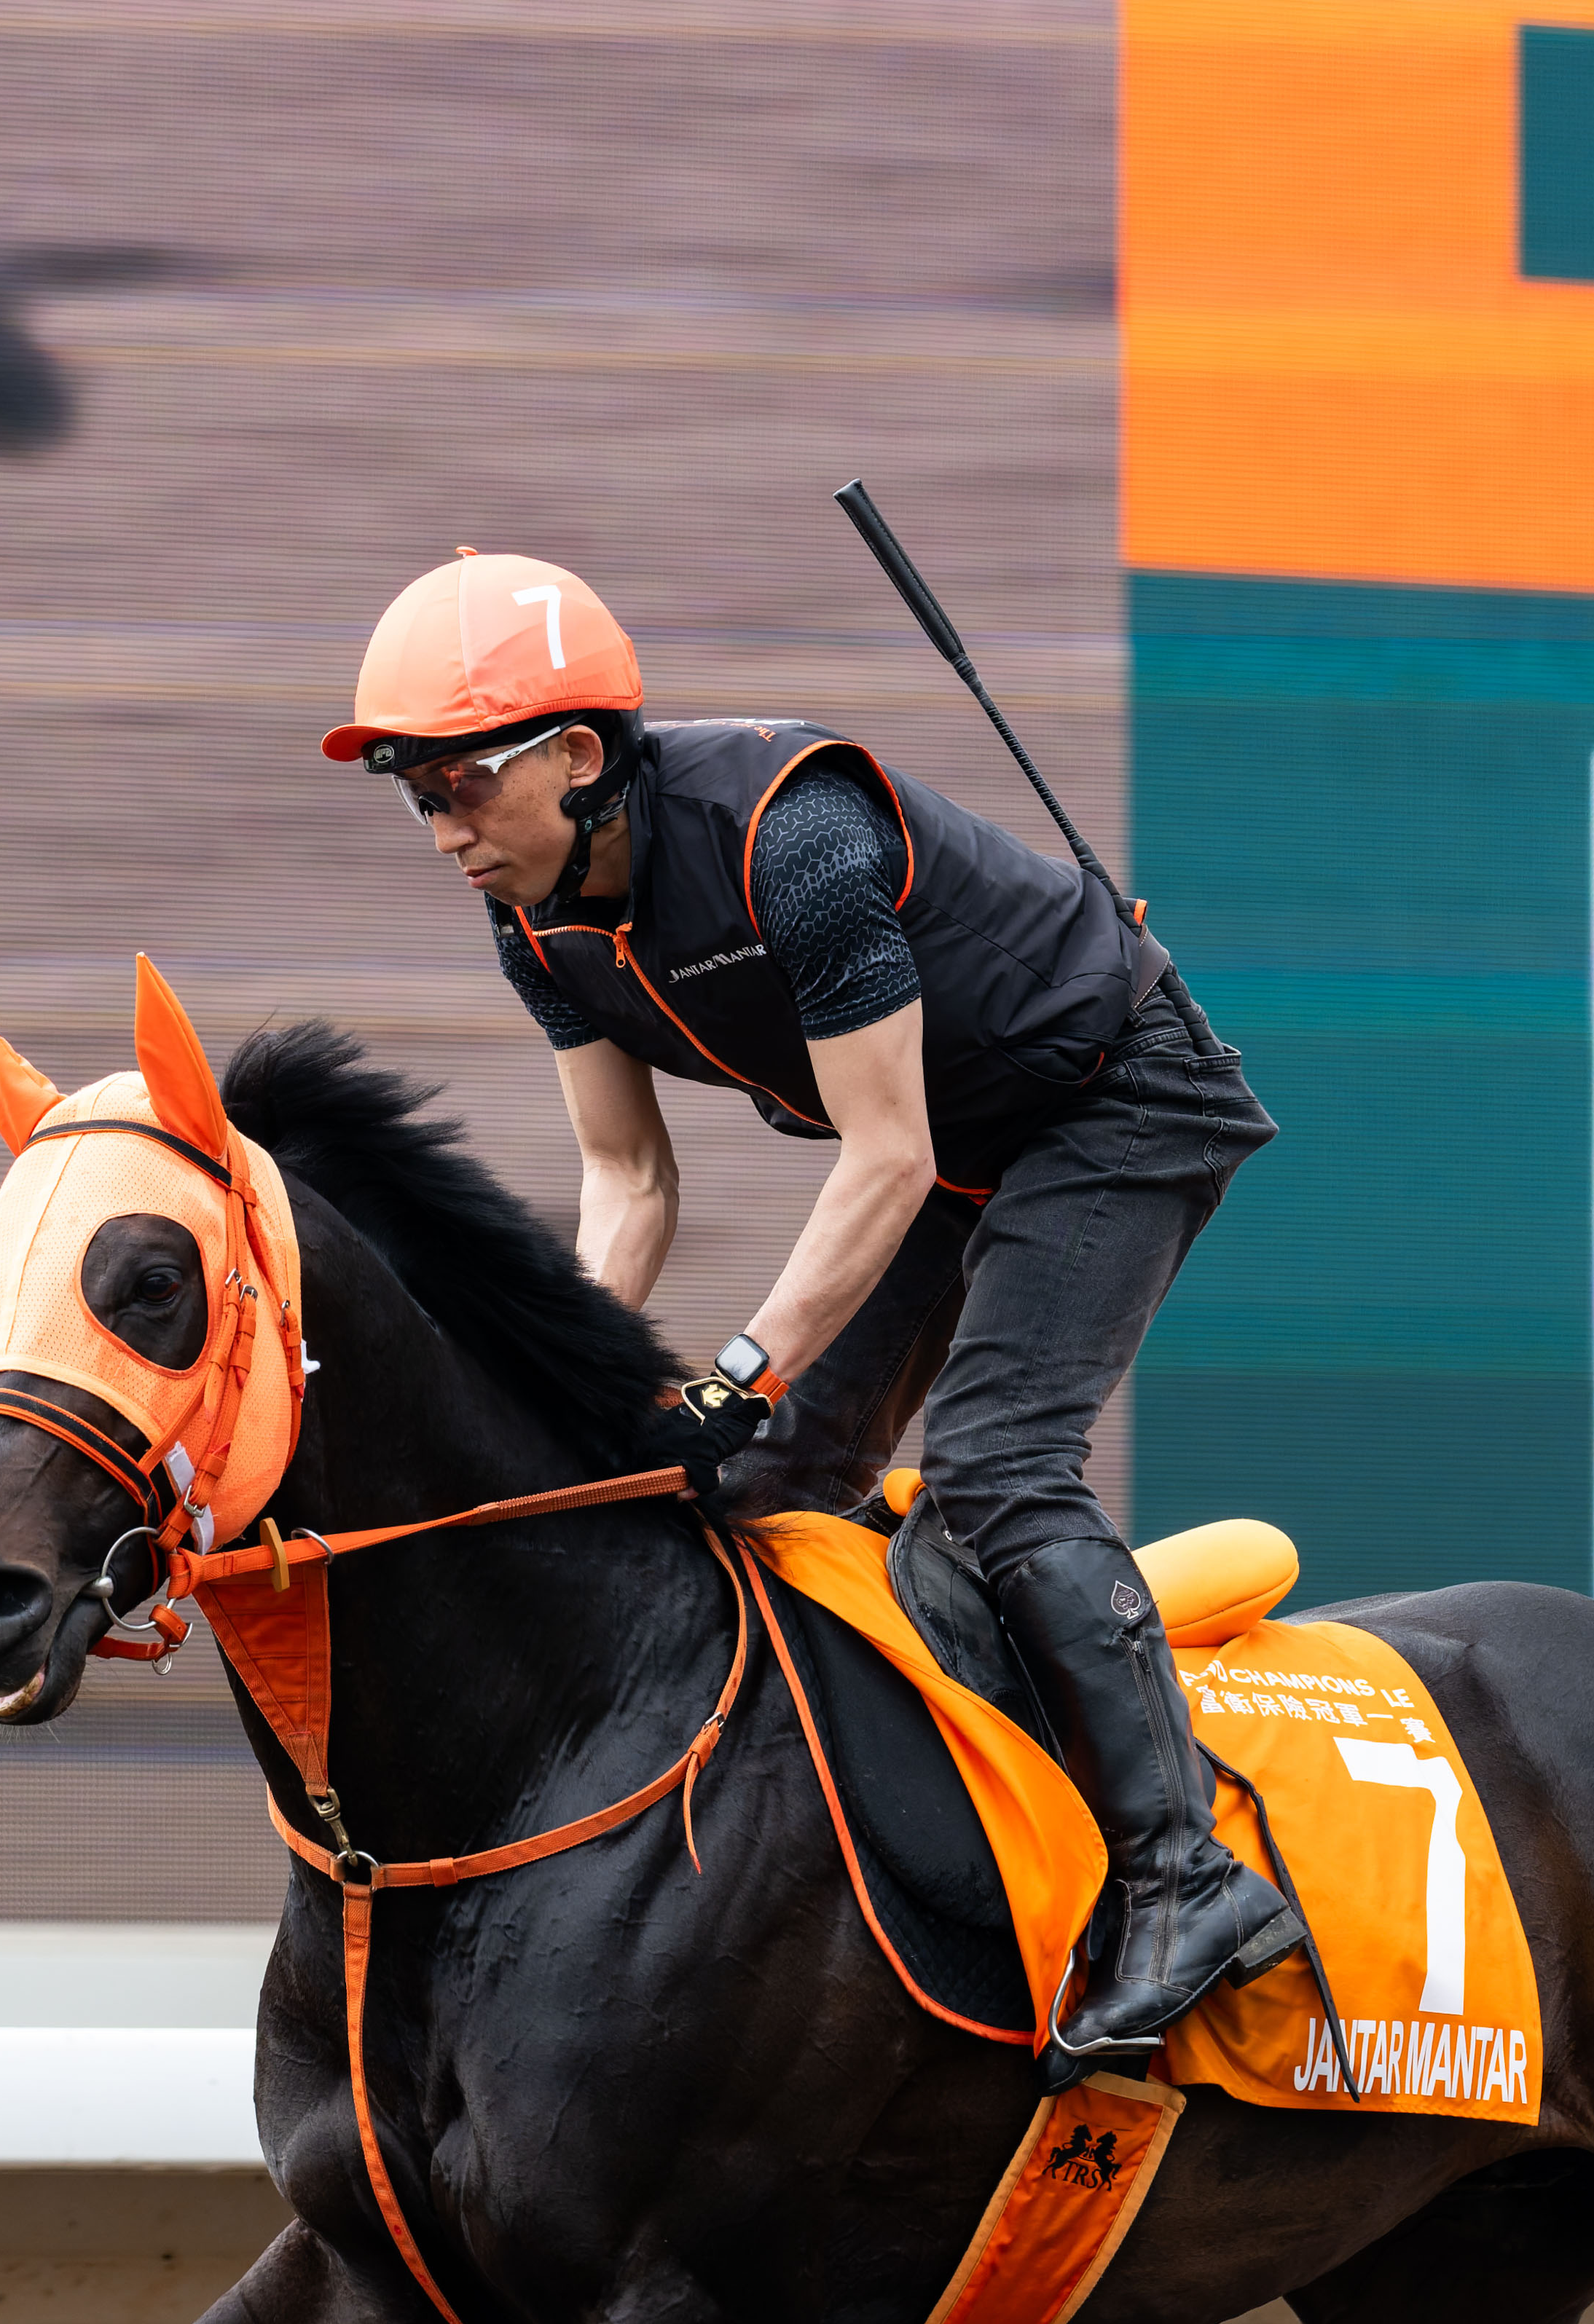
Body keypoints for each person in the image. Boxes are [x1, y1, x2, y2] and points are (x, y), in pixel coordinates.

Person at [322, 547, 1298, 2064]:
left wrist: (733, 1371)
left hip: (1115, 1103)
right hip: (961, 1145)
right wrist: (560, 1396)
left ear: (579, 755)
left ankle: (1188, 1875)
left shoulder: (796, 837)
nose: (438, 827)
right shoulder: (536, 922)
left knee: (991, 1472)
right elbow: (627, 1185)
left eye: (455, 782)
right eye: (407, 791)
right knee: (763, 1492)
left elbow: (887, 1148)